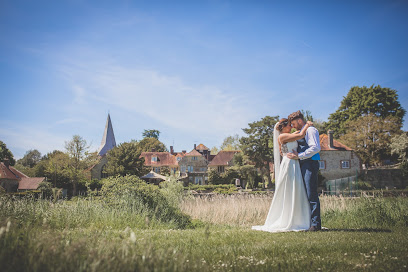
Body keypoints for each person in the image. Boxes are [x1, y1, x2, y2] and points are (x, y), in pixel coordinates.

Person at [252, 118, 313, 233]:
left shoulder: (288, 134)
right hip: (289, 163)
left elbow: (298, 133)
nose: (291, 127)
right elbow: (300, 135)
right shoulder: (282, 137)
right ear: (283, 127)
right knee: (290, 187)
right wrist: (308, 125)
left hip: (294, 161)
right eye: (289, 125)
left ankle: (300, 217)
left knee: (297, 187)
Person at [287, 110, 321, 231]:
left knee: (311, 194)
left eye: (293, 123)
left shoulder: (311, 130)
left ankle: (316, 225)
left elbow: (316, 148)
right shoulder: (302, 131)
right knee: (305, 194)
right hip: (304, 164)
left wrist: (299, 156)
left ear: (300, 120)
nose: (292, 126)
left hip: (310, 164)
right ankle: (309, 222)